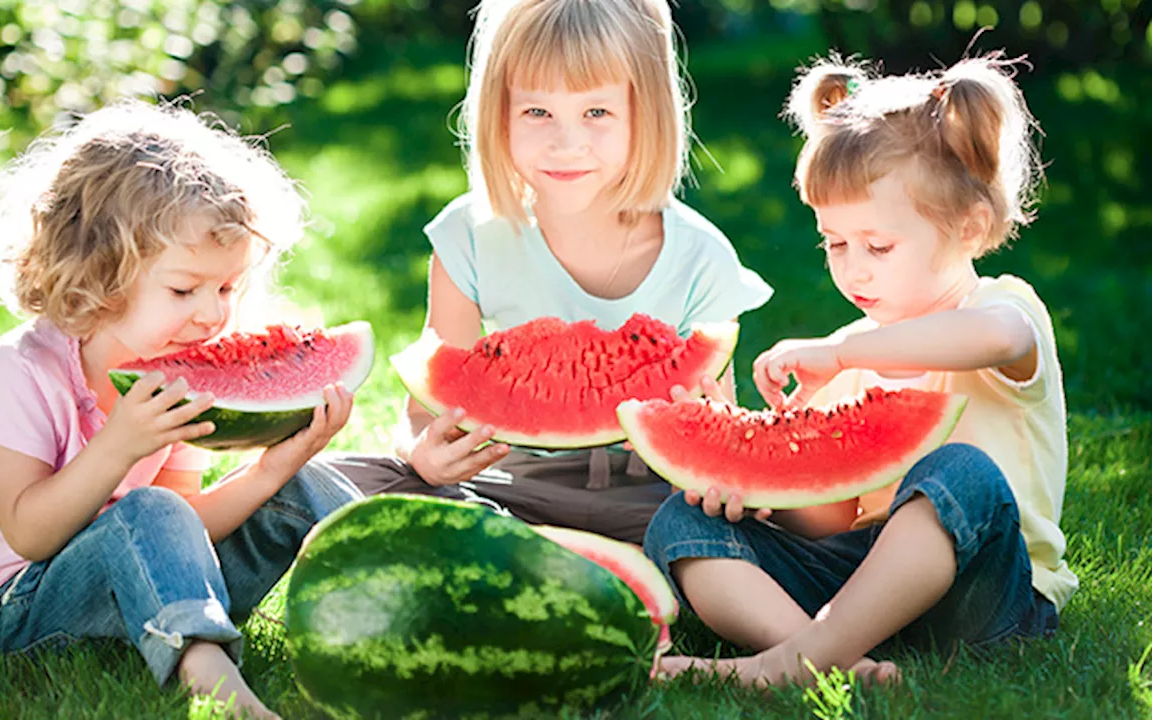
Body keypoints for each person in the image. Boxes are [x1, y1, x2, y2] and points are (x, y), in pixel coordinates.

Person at [643, 53, 1076, 687]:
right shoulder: (848, 350)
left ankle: (791, 662)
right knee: (678, 524)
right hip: (859, 587)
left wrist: (846, 354)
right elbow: (833, 515)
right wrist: (758, 494)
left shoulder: (1003, 309)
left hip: (987, 594)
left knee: (962, 473)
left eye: (877, 246)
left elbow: (994, 338)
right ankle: (829, 657)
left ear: (970, 227)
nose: (854, 268)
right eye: (834, 243)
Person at [0, 100, 362, 718]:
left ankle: (406, 606)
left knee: (307, 483)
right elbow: (29, 533)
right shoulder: (17, 373)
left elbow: (185, 526)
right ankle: (221, 689)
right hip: (23, 609)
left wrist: (275, 469)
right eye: (183, 289)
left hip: (154, 585)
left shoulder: (180, 368)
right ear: (98, 271)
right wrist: (120, 444)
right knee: (149, 506)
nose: (213, 314)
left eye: (226, 288)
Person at [331, 0, 772, 544]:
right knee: (340, 483)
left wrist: (707, 458)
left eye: (597, 113)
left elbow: (714, 419)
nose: (567, 144)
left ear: (646, 112)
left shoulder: (700, 256)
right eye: (537, 113)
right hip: (511, 485)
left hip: (657, 498)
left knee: (737, 525)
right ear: (500, 115)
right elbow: (425, 414)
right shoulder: (467, 236)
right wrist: (421, 453)